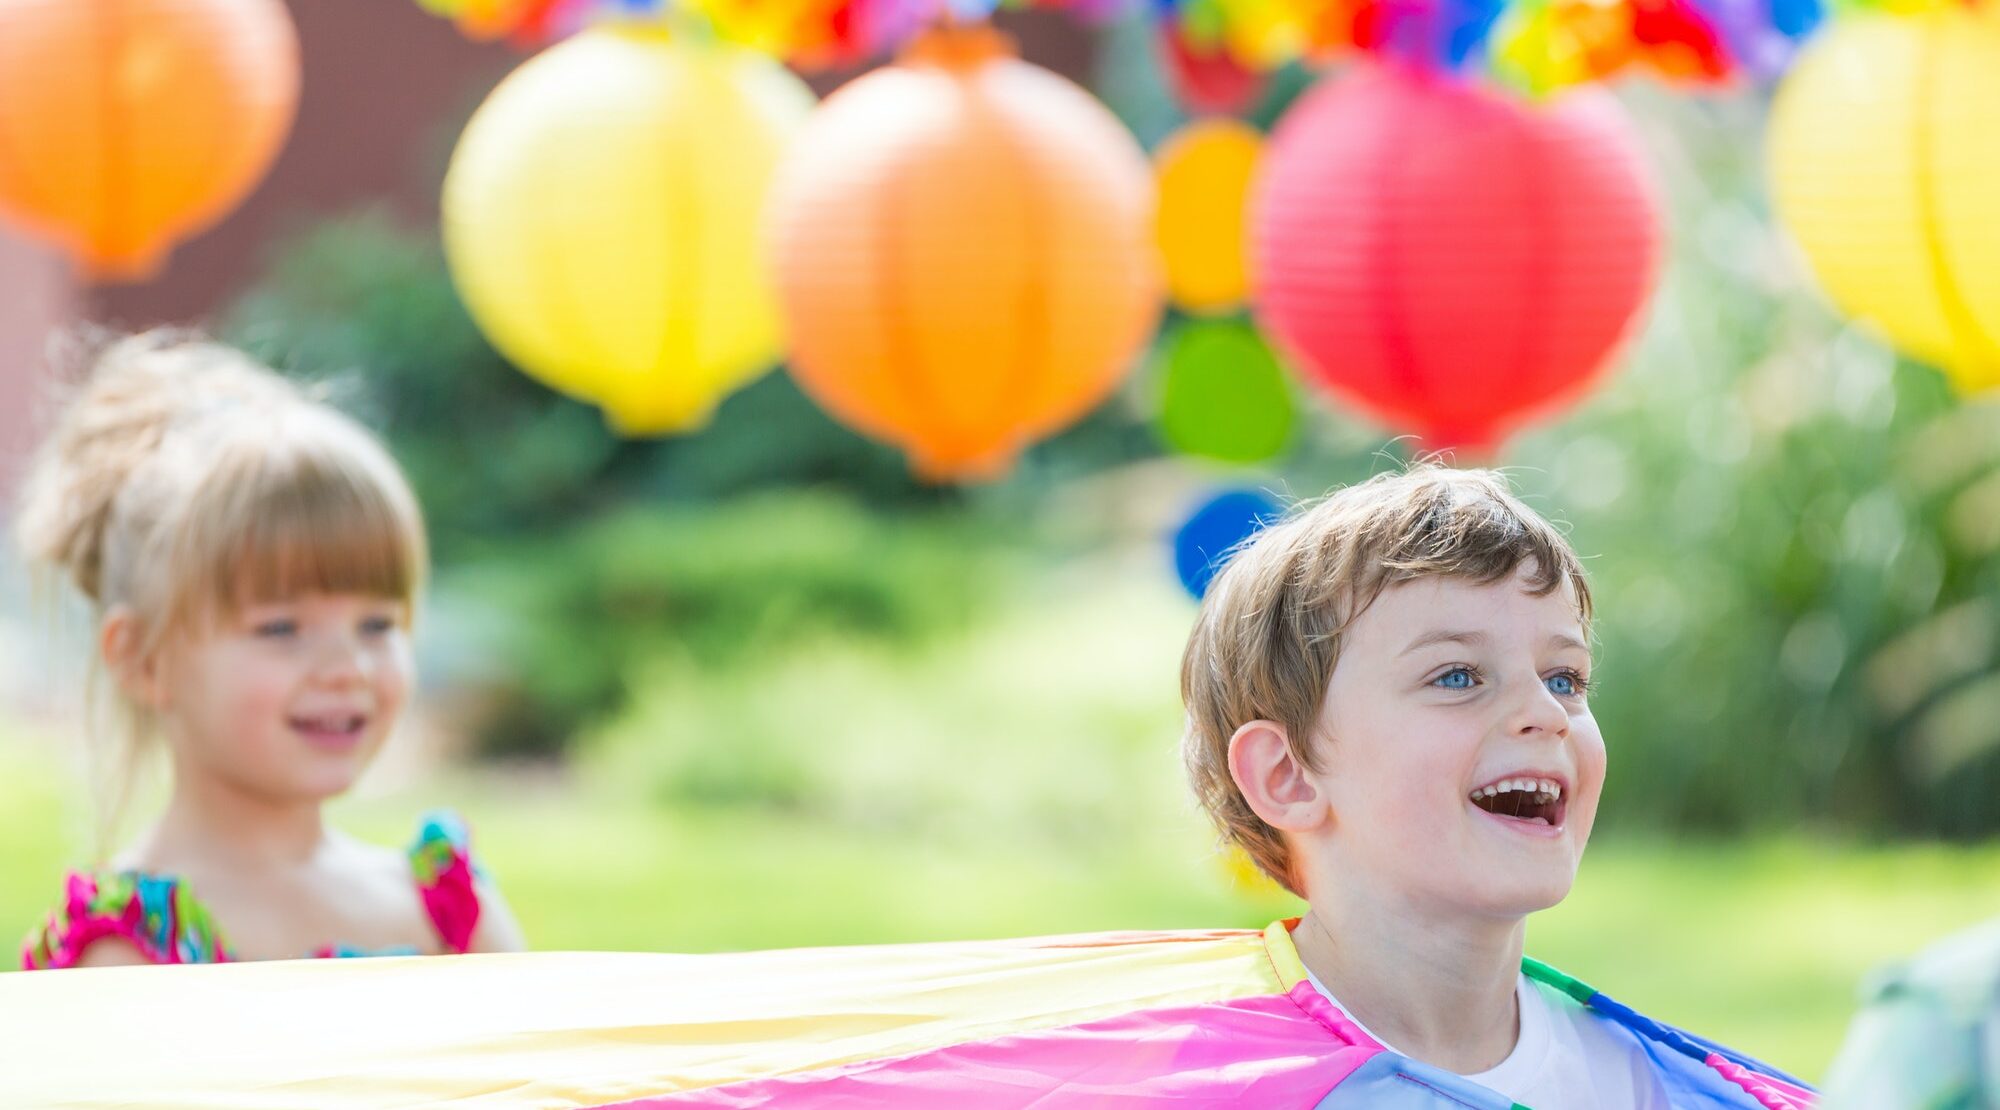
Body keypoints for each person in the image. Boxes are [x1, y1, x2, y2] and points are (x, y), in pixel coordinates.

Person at [1179, 463, 1813, 1107]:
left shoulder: (1652, 1090)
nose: (1544, 710)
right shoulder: (1204, 1086)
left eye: (1564, 678)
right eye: (1457, 676)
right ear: (1286, 776)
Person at [16, 331, 523, 968]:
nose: (348, 669)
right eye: (282, 628)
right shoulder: (125, 950)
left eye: (376, 624)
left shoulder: (446, 911)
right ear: (144, 660)